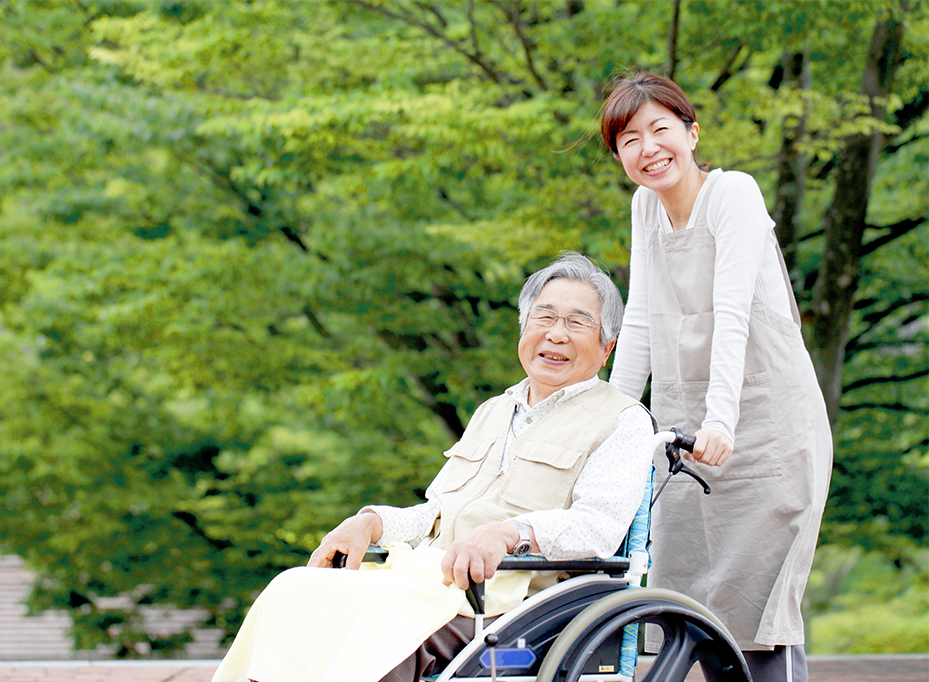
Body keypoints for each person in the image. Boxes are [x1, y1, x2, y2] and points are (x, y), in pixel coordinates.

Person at [210, 252, 655, 682]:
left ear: (606, 347)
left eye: (577, 322)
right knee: (297, 592)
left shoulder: (622, 420)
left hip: (517, 601)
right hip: (430, 578)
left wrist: (510, 532)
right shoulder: (493, 411)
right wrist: (371, 523)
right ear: (523, 330)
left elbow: (597, 528)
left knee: (377, 626)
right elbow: (436, 513)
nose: (556, 334)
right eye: (544, 317)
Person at [599, 72, 833, 682]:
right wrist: (611, 425)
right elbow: (643, 318)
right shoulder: (645, 206)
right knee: (687, 601)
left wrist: (722, 420)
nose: (648, 148)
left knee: (761, 607)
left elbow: (732, 314)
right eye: (629, 139)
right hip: (687, 428)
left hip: (763, 421)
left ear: (692, 132)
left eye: (660, 130)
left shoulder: (735, 194)